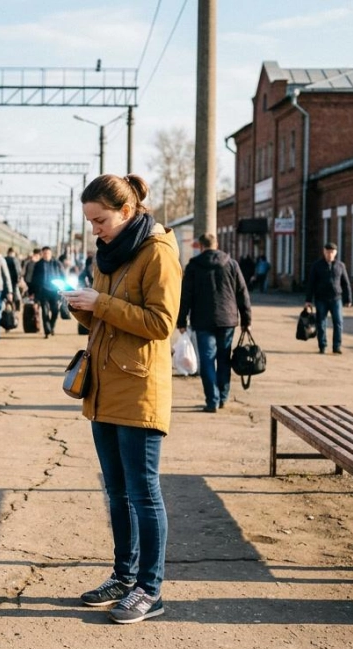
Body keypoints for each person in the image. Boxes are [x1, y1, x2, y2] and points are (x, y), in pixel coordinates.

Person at [61, 173, 182, 624]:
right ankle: (124, 577)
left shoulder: (158, 253)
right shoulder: (107, 256)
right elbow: (105, 324)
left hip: (139, 389)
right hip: (104, 387)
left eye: (100, 220)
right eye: (90, 222)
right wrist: (81, 309)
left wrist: (102, 304)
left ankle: (150, 590)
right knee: (115, 492)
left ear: (127, 211)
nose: (95, 229)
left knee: (143, 492)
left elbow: (160, 324)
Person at [177, 233, 252, 413]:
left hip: (202, 321)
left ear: (201, 246)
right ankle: (223, 397)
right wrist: (246, 319)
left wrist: (181, 320)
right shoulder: (231, 264)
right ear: (216, 244)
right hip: (227, 320)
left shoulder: (194, 266)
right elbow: (242, 292)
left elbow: (185, 295)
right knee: (224, 359)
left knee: (207, 360)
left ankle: (212, 401)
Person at [305, 242, 352, 354]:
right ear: (324, 252)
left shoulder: (340, 266)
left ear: (335, 253)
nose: (329, 254)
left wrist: (348, 299)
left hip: (336, 298)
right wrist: (308, 300)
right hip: (321, 299)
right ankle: (322, 346)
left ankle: (337, 346)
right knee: (321, 322)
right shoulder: (317, 266)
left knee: (338, 322)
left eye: (332, 252)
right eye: (327, 252)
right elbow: (311, 283)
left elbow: (345, 283)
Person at [28, 247, 65, 337]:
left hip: (55, 291)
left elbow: (63, 277)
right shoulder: (38, 264)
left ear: (51, 254)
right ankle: (47, 331)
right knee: (45, 311)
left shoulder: (57, 264)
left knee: (55, 311)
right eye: (44, 253)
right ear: (42, 254)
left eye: (48, 253)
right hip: (43, 291)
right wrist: (31, 291)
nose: (46, 255)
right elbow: (34, 278)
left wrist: (64, 289)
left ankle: (51, 326)